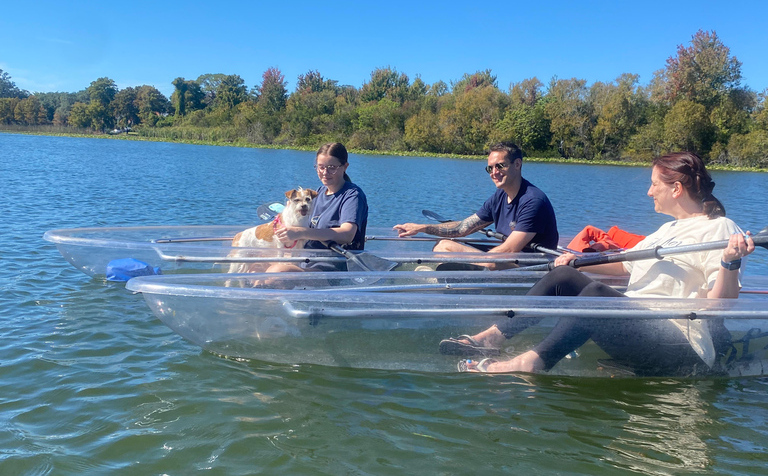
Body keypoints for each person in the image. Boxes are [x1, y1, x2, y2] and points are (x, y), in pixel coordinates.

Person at [457, 151, 755, 376]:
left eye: (654, 185)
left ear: (676, 189)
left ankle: (530, 363)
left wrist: (730, 262)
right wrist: (578, 264)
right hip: (638, 325)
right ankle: (492, 337)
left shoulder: (720, 229)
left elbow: (723, 304)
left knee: (597, 295)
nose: (649, 191)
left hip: (682, 344)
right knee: (563, 275)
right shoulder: (666, 230)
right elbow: (626, 266)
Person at [393, 142, 558, 270]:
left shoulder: (533, 201)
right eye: (490, 168)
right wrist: (421, 228)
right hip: (505, 260)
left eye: (500, 166)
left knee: (491, 262)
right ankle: (450, 275)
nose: (494, 172)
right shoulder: (500, 196)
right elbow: (462, 228)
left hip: (532, 268)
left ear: (517, 164)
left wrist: (481, 259)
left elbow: (509, 250)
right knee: (443, 245)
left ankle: (455, 276)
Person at [268, 142, 368, 272]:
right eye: (321, 167)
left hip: (331, 266)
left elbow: (347, 234)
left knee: (277, 272)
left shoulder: (352, 195)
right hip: (306, 259)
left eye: (332, 167)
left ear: (345, 167)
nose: (325, 173)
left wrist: (300, 232)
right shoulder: (319, 193)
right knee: (254, 268)